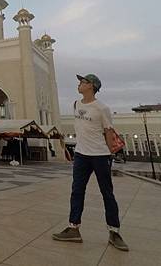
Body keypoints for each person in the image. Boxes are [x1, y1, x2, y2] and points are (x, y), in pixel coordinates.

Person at [52, 74, 129, 251]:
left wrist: (109, 153)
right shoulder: (75, 104)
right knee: (77, 191)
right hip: (81, 155)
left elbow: (108, 131)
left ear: (92, 86)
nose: (79, 84)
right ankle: (73, 228)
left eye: (83, 82)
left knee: (107, 193)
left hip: (100, 155)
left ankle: (114, 232)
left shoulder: (102, 108)